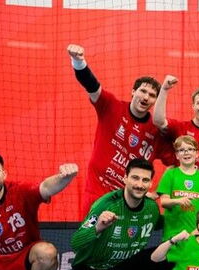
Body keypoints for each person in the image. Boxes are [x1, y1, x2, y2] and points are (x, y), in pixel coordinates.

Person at [69, 158, 172, 270]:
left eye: (145, 180)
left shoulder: (151, 208)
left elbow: (166, 224)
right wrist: (98, 227)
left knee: (167, 255)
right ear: (125, 178)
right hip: (96, 267)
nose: (139, 184)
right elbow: (75, 242)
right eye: (135, 178)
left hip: (125, 264)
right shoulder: (106, 205)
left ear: (150, 184)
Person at [66, 44, 168, 212]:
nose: (146, 97)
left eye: (151, 95)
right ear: (133, 92)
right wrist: (78, 61)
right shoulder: (111, 106)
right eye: (142, 91)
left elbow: (177, 163)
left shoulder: (157, 130)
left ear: (156, 101)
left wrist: (157, 192)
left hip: (129, 204)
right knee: (91, 230)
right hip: (96, 195)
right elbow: (91, 85)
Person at [151, 75, 199, 174]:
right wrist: (164, 89)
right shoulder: (180, 127)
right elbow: (158, 121)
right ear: (193, 106)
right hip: (182, 184)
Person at [155, 136, 199, 239]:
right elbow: (163, 202)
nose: (186, 153)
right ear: (177, 155)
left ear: (197, 153)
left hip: (196, 234)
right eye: (181, 150)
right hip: (172, 234)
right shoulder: (170, 174)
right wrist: (178, 201)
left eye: (190, 149)